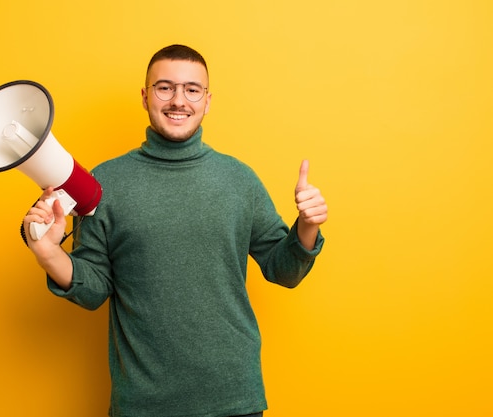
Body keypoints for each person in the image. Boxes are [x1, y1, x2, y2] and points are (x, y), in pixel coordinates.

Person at [23, 44, 328, 417]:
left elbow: (284, 270)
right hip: (143, 404)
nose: (178, 100)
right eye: (164, 87)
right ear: (145, 96)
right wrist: (48, 252)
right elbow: (94, 291)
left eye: (192, 89)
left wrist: (307, 227)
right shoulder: (105, 182)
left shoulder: (239, 180)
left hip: (234, 399)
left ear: (207, 100)